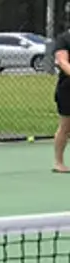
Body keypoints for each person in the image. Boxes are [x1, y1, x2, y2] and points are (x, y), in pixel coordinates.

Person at [54, 24, 70, 174]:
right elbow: (63, 61)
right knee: (66, 126)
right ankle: (59, 162)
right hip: (67, 89)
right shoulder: (64, 39)